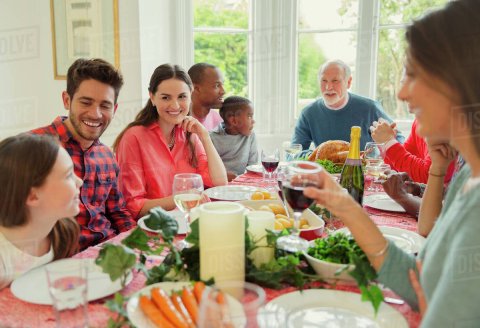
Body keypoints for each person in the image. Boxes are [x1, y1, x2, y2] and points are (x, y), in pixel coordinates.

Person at [303, 1, 480, 325]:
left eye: (413, 75)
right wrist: (345, 205)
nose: (401, 93)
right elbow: (419, 280)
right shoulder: (468, 175)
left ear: (460, 80)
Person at [31, 58, 135, 250]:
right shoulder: (32, 147)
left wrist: (139, 246)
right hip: (59, 260)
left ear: (115, 109)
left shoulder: (107, 156)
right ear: (67, 100)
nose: (95, 114)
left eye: (105, 105)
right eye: (86, 102)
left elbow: (118, 212)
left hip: (108, 253)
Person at [113, 64, 228, 218]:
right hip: (154, 227)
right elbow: (134, 207)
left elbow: (220, 183)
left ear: (190, 95)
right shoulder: (133, 138)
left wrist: (205, 137)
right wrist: (181, 199)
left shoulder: (191, 134)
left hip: (189, 221)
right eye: (166, 97)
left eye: (182, 96)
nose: (175, 105)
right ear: (152, 97)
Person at [0, 134, 81, 289]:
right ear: (33, 196)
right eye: (69, 175)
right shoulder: (3, 259)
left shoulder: (62, 231)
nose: (80, 181)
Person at [292, 59, 404, 150]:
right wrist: (319, 157)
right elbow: (293, 152)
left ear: (348, 82)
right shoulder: (308, 113)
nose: (328, 87)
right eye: (324, 81)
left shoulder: (370, 108)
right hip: (325, 175)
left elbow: (398, 138)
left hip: (362, 173)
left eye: (335, 81)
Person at [371, 118, 456, 183]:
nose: (401, 96)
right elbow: (400, 169)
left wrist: (389, 142)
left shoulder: (447, 123)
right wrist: (386, 143)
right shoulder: (419, 121)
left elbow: (430, 177)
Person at [210, 96, 258, 181]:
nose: (253, 121)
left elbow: (253, 166)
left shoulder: (250, 136)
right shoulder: (212, 138)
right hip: (219, 184)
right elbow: (208, 167)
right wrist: (224, 176)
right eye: (249, 116)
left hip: (243, 184)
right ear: (233, 121)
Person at [188, 63, 225, 130]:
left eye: (222, 85)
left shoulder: (219, 121)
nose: (223, 91)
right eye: (217, 85)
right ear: (196, 89)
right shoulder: (179, 121)